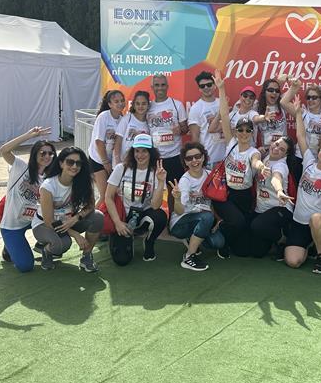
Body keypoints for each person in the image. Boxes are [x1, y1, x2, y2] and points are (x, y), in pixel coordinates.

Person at [213, 69, 269, 258]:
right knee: (237, 222)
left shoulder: (253, 151)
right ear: (236, 131)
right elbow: (224, 114)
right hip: (226, 195)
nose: (244, 133)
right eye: (241, 130)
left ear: (252, 132)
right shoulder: (231, 143)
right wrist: (221, 89)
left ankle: (227, 239)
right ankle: (218, 236)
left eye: (248, 130)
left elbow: (256, 162)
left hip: (245, 197)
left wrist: (261, 166)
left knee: (244, 248)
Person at [285, 97, 321, 274]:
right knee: (294, 261)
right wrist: (298, 114)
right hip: (299, 222)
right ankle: (308, 244)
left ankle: (320, 256)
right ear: (319, 152)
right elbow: (301, 136)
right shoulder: (309, 161)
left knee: (316, 218)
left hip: (318, 221)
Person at [32, 147, 104, 272]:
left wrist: (76, 218)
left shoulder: (83, 180)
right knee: (63, 244)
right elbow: (49, 221)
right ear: (61, 163)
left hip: (68, 220)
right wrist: (76, 234)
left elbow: (90, 205)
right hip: (44, 225)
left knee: (98, 217)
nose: (74, 166)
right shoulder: (48, 186)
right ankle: (47, 251)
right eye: (70, 162)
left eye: (78, 163)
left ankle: (87, 257)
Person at [104, 133, 168, 265]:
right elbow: (108, 197)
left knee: (160, 217)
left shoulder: (156, 172)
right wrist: (117, 222)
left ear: (151, 153)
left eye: (144, 151)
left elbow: (155, 206)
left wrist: (161, 182)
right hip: (122, 215)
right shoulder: (121, 168)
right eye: (137, 151)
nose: (140, 155)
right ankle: (120, 236)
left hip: (143, 214)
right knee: (122, 261)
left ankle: (149, 242)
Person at [0, 126, 54, 272]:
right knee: (26, 266)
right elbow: (4, 150)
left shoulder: (50, 179)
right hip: (12, 225)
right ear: (34, 154)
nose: (47, 156)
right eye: (43, 153)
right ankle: (9, 247)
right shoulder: (21, 167)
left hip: (34, 221)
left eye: (50, 153)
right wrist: (28, 135)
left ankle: (44, 246)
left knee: (58, 227)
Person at [168, 142, 226, 271]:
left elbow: (213, 202)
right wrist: (177, 198)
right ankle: (189, 257)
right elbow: (179, 211)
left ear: (203, 157)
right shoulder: (185, 181)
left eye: (198, 156)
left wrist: (218, 219)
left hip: (202, 219)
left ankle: (192, 238)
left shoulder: (210, 175)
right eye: (189, 158)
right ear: (185, 162)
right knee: (207, 217)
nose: (194, 160)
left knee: (218, 242)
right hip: (181, 223)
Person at [249, 136, 296, 258]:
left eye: (282, 149)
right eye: (276, 144)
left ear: (285, 154)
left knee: (257, 225)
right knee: (256, 252)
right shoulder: (266, 157)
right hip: (262, 209)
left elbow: (276, 177)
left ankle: (282, 238)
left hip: (280, 208)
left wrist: (279, 191)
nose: (276, 149)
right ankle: (271, 240)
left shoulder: (281, 165)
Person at [147, 74, 188, 212]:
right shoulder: (148, 107)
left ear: (167, 86)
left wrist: (180, 130)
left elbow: (185, 129)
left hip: (174, 156)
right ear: (152, 87)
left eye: (163, 85)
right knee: (153, 189)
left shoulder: (177, 105)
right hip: (155, 156)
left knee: (174, 190)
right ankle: (152, 217)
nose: (160, 88)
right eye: (157, 85)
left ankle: (173, 217)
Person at [280, 79, 321, 182]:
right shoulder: (302, 113)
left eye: (314, 97)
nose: (310, 100)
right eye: (308, 97)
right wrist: (295, 87)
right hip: (299, 158)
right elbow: (283, 102)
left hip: (319, 160)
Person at [88, 90, 126, 207]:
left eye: (122, 101)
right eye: (116, 101)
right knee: (104, 196)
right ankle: (91, 216)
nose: (120, 103)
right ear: (109, 104)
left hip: (111, 162)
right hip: (98, 160)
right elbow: (98, 141)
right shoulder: (103, 117)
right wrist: (105, 162)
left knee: (112, 195)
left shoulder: (123, 119)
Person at [188, 71, 226, 168]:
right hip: (209, 160)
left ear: (215, 85)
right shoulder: (196, 108)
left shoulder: (222, 103)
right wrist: (198, 160)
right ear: (199, 89)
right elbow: (195, 137)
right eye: (202, 86)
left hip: (226, 157)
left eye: (209, 84)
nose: (206, 88)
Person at [112, 90, 150, 167]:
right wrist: (118, 162)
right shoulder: (127, 118)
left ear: (148, 105)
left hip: (138, 165)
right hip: (122, 163)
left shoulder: (149, 123)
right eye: (138, 104)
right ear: (133, 105)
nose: (140, 106)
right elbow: (118, 141)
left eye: (143, 103)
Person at [255, 78, 287, 156]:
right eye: (271, 90)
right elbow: (243, 103)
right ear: (264, 92)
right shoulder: (256, 106)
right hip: (263, 152)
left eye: (277, 91)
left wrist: (287, 78)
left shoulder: (283, 104)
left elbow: (295, 87)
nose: (274, 92)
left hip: (281, 153)